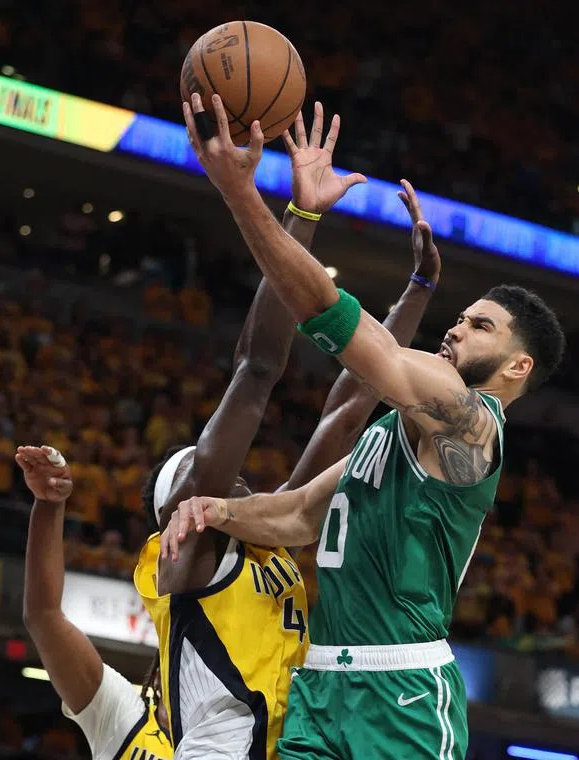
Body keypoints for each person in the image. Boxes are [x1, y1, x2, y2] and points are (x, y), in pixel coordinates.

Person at [168, 95, 566, 760]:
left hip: (404, 695)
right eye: (461, 317)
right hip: (323, 689)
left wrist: (244, 195)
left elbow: (353, 337)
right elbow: (297, 515)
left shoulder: (468, 423)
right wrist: (216, 508)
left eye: (480, 326)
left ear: (517, 366)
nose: (457, 327)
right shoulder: (392, 431)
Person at [136, 104, 440, 760]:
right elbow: (256, 370)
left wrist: (418, 289)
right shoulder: (188, 559)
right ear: (176, 510)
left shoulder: (268, 545)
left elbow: (354, 402)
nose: (230, 471)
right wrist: (299, 218)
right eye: (202, 469)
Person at [20, 444, 172, 760]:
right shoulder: (124, 715)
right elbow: (43, 615)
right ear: (158, 671)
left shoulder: (236, 736)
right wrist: (49, 506)